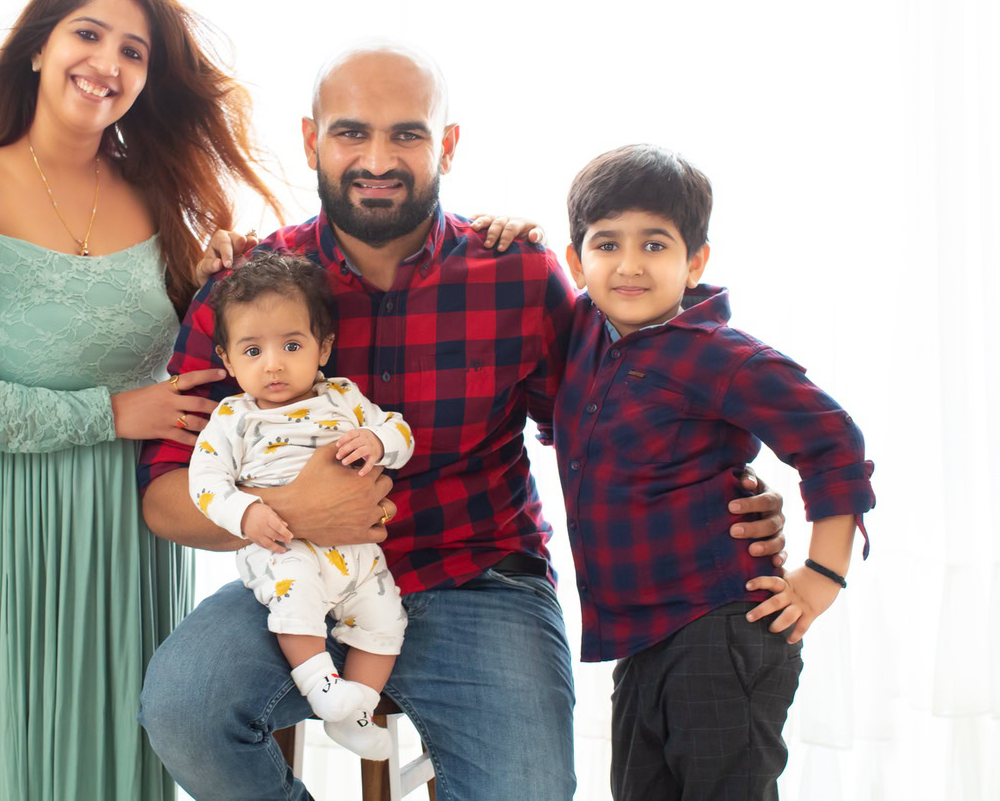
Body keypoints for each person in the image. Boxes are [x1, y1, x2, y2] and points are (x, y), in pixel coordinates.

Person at [135, 44, 789, 799]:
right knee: (183, 708)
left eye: (407, 134)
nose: (377, 158)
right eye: (352, 133)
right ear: (313, 140)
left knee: (530, 788)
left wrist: (717, 495)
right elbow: (163, 495)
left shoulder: (515, 271)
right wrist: (291, 510)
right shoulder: (248, 288)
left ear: (446, 144)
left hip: (480, 578)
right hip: (296, 579)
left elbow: (611, 423)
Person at [0, 0, 281, 800]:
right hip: (1, 522)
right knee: (11, 753)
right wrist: (113, 413)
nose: (107, 63)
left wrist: (225, 280)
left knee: (115, 750)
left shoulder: (160, 198)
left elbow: (219, 373)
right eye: (87, 33)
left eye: (134, 51)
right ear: (38, 49)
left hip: (127, 521)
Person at [556, 144, 875, 800]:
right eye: (607, 243)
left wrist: (822, 574)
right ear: (576, 261)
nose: (629, 264)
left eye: (654, 244)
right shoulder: (586, 341)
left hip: (721, 628)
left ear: (694, 260)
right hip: (641, 635)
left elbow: (832, 440)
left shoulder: (719, 356)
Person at [189, 249, 415, 760]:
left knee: (386, 619)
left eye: (291, 344)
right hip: (281, 544)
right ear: (226, 359)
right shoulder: (232, 419)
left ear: (323, 347)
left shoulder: (343, 397)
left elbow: (398, 428)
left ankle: (356, 713)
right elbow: (204, 483)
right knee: (297, 601)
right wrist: (247, 514)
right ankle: (322, 687)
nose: (273, 364)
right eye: (252, 352)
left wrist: (379, 443)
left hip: (357, 550)